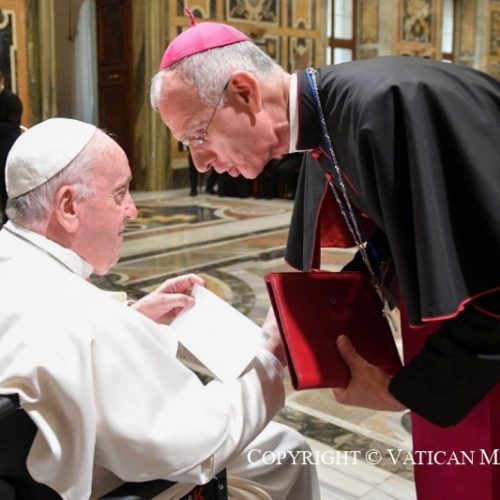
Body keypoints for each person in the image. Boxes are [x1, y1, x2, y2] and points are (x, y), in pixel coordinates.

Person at [150, 13, 500, 500]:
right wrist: (297, 318)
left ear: (244, 93)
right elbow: (407, 241)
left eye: (197, 136)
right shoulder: (329, 125)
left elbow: (489, 277)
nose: (200, 162)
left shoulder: (392, 104)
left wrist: (400, 392)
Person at [0, 118, 320, 500]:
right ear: (68, 206)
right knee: (288, 449)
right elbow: (199, 445)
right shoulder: (87, 320)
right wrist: (270, 354)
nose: (132, 210)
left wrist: (131, 318)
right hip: (122, 483)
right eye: (120, 193)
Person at [0, 70, 23, 225]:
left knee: (5, 190)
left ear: (2, 80)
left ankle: (8, 224)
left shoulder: (11, 99)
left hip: (5, 151)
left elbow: (13, 125)